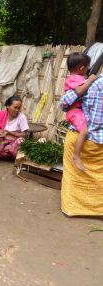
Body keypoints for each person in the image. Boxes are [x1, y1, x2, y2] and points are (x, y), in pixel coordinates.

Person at [60, 75, 103, 216]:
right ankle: (98, 210)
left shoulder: (91, 82)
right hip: (100, 142)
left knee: (74, 175)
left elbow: (64, 103)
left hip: (81, 135)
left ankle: (72, 209)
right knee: (99, 178)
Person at [64, 52, 98, 171]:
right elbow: (79, 91)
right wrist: (91, 79)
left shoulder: (78, 78)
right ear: (82, 68)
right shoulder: (73, 78)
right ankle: (76, 156)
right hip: (74, 112)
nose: (88, 69)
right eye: (88, 67)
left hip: (78, 111)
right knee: (85, 130)